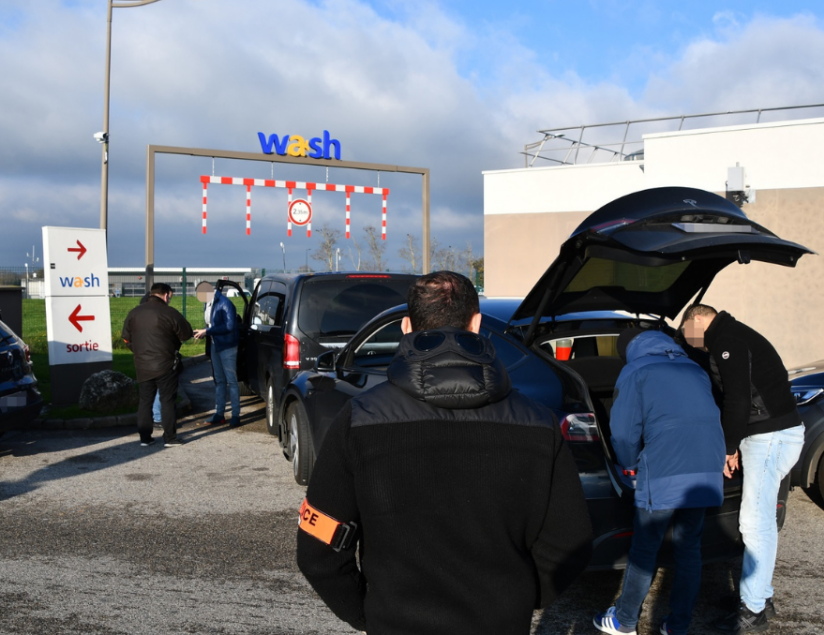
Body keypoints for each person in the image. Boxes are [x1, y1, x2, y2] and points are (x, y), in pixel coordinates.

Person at [296, 271, 594, 635]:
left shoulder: (360, 420)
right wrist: (517, 598)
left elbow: (319, 545)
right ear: (477, 323)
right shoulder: (538, 423)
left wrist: (368, 613)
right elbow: (570, 541)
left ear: (406, 326)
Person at [680, 305, 804, 633]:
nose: (695, 345)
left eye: (689, 336)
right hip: (768, 434)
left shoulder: (727, 340)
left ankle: (752, 610)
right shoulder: (734, 335)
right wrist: (735, 442)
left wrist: (728, 447)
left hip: (770, 437)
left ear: (697, 320)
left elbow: (736, 398)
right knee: (757, 520)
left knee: (755, 523)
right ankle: (759, 595)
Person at [593, 329, 725, 635]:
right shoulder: (695, 368)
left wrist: (629, 467)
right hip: (707, 469)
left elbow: (624, 434)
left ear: (628, 351)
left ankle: (624, 621)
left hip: (665, 468)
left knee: (645, 549)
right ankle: (677, 626)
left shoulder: (636, 370)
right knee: (690, 548)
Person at [121, 283, 194, 447]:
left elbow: (126, 338)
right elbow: (186, 333)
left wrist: (137, 350)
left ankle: (145, 438)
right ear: (166, 295)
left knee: (145, 401)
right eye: (170, 297)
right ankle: (170, 438)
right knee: (167, 400)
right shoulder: (170, 313)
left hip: (142, 364)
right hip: (165, 364)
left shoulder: (134, 313)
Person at [193, 288, 241, 427]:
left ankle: (235, 415)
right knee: (219, 380)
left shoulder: (225, 303)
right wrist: (203, 332)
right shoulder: (208, 303)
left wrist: (207, 331)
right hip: (215, 344)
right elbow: (211, 324)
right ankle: (219, 413)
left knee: (231, 381)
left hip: (227, 346)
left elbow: (229, 325)